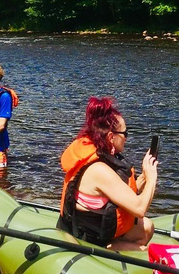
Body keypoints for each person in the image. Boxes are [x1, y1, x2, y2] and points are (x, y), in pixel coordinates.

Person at [58, 96, 158, 251]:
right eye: (125, 133)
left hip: (98, 228)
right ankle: (108, 256)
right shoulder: (99, 169)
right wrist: (152, 178)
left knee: (147, 228)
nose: (126, 138)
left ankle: (115, 252)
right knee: (144, 252)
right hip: (87, 238)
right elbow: (139, 208)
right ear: (111, 137)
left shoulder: (100, 156)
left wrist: (144, 176)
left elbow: (119, 194)